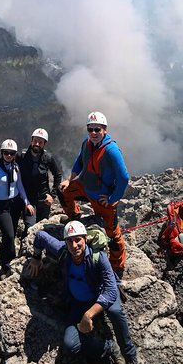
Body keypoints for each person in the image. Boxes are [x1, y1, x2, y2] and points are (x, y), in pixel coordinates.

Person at [28, 221, 139, 364]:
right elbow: (40, 236)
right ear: (65, 242)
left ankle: (130, 355)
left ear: (85, 239)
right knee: (70, 345)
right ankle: (109, 347)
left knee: (115, 312)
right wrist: (36, 257)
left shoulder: (98, 257)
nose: (74, 245)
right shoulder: (63, 251)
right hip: (79, 301)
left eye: (78, 239)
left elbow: (111, 291)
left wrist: (89, 314)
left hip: (101, 295)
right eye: (70, 241)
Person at [59, 111, 129, 276]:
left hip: (101, 197)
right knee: (63, 192)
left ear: (105, 129)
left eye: (97, 129)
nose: (94, 133)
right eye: (90, 129)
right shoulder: (87, 143)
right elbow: (79, 162)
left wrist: (112, 199)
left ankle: (117, 267)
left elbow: (124, 178)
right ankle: (75, 218)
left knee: (113, 234)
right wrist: (70, 181)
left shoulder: (111, 150)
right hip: (85, 187)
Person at [0, 139, 35, 275]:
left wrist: (27, 202)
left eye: (11, 153)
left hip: (14, 204)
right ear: (2, 153)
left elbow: (19, 185)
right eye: (6, 153)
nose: (8, 156)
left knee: (9, 234)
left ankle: (3, 257)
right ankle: (8, 262)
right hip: (0, 206)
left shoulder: (16, 167)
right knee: (9, 234)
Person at [16, 128, 63, 232]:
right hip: (28, 199)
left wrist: (53, 195)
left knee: (43, 228)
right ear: (31, 141)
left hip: (44, 199)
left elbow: (58, 174)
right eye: (35, 141)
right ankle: (26, 247)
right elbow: (8, 165)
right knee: (30, 227)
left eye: (40, 142)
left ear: (44, 144)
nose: (37, 144)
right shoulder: (21, 156)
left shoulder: (48, 158)